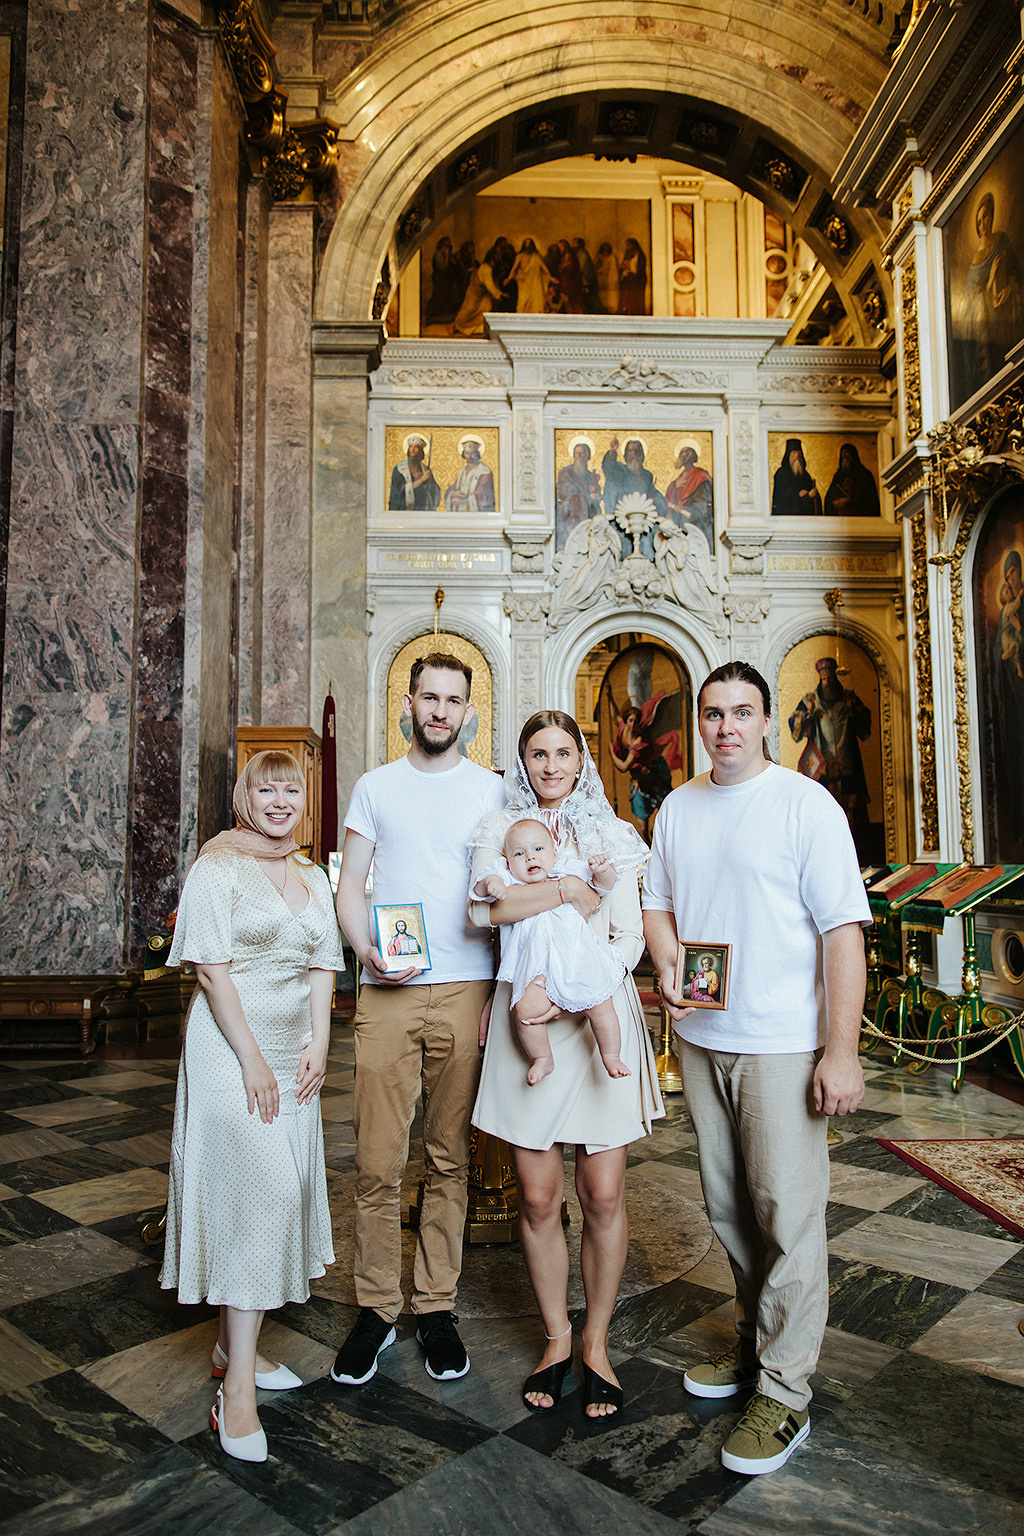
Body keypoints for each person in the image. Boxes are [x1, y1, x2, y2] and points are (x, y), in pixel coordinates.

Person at [643, 661, 870, 1477]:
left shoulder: (806, 805)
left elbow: (844, 932)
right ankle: (753, 1342)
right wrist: (668, 961)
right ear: (699, 723)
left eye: (742, 712)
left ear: (770, 720)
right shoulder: (678, 806)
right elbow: (657, 903)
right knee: (729, 1206)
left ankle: (785, 1391)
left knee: (787, 1212)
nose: (726, 726)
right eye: (713, 713)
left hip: (782, 1041)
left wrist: (839, 1050)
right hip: (704, 1038)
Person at [470, 711, 664, 1419]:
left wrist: (580, 993)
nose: (550, 765)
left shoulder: (611, 836)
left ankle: (596, 1343)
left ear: (582, 760)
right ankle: (555, 1337)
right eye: (536, 755)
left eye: (562, 752)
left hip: (594, 1016)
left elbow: (626, 934)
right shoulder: (500, 833)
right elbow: (487, 914)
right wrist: (564, 892)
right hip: (528, 1015)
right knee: (538, 1196)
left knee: (604, 1195)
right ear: (522, 765)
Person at [160, 750, 343, 1464]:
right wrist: (254, 1059)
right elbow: (210, 968)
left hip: (293, 1052)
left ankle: (230, 1345)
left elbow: (325, 964)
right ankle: (235, 1389)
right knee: (262, 1193)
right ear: (244, 796)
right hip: (230, 1050)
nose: (278, 801)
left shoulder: (311, 874)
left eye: (289, 789)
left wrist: (321, 1045)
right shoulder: (218, 866)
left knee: (280, 1190)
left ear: (303, 799)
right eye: (264, 789)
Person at [332, 653, 504, 1388]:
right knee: (376, 1161)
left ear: (470, 713)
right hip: (390, 991)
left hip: (466, 987)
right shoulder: (376, 788)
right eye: (428, 697)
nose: (439, 710)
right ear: (409, 703)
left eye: (453, 700)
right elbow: (348, 884)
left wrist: (500, 987)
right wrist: (366, 948)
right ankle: (375, 1307)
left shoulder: (494, 793)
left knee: (447, 1158)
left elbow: (510, 896)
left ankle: (434, 1305)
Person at [472, 816, 630, 1085]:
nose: (530, 857)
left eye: (539, 850)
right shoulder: (507, 877)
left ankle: (611, 1055)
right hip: (534, 968)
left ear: (554, 853)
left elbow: (603, 888)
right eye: (519, 853)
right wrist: (491, 884)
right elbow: (479, 891)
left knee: (602, 1006)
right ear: (508, 861)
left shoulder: (567, 869)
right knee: (525, 1011)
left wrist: (602, 871)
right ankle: (542, 1057)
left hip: (577, 959)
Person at [788, 656, 872, 846]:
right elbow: (795, 726)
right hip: (822, 765)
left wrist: (853, 712)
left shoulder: (848, 697)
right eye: (824, 679)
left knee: (851, 808)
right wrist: (807, 714)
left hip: (847, 760)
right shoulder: (811, 700)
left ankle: (851, 844)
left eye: (831, 678)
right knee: (822, 808)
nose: (828, 682)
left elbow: (865, 725)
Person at [555, 436, 603, 548]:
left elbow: (596, 500)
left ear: (588, 456)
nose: (580, 456)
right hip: (569, 517)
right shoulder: (565, 473)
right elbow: (566, 495)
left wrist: (594, 487)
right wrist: (588, 496)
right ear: (573, 455)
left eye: (583, 453)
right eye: (577, 453)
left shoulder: (590, 476)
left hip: (587, 519)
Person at [665, 439, 714, 547]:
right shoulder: (677, 480)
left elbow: (703, 502)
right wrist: (674, 487)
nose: (685, 455)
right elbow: (668, 501)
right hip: (678, 519)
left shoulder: (701, 475)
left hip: (694, 519)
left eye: (688, 452)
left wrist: (684, 509)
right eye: (682, 453)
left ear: (693, 456)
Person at [822, 442, 880, 518]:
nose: (845, 457)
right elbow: (829, 499)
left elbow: (870, 500)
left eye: (847, 454)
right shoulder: (838, 476)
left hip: (860, 519)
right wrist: (835, 503)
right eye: (843, 455)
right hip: (841, 519)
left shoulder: (864, 474)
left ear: (853, 455)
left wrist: (850, 501)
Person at [389, 434, 441, 511]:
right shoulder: (400, 469)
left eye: (416, 447)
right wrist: (421, 480)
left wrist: (429, 484)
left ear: (421, 451)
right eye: (411, 447)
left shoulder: (425, 469)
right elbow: (397, 493)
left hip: (422, 509)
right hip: (405, 510)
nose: (413, 450)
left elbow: (435, 491)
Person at [445, 434, 496, 513]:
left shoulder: (484, 471)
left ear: (477, 454)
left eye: (472, 453)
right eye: (467, 453)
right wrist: (453, 494)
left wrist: (465, 501)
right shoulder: (462, 472)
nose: (469, 456)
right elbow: (453, 487)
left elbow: (483, 495)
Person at [771, 439, 822, 515]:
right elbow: (783, 501)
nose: (797, 456)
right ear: (788, 455)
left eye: (799, 453)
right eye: (794, 453)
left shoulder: (805, 475)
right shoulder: (781, 474)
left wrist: (813, 495)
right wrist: (803, 496)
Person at [509, 237, 549, 314]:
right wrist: (509, 278)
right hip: (523, 282)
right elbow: (514, 269)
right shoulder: (520, 256)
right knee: (522, 303)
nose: (527, 245)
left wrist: (550, 277)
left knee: (536, 302)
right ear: (524, 245)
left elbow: (544, 268)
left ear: (532, 245)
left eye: (529, 243)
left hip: (535, 282)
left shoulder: (536, 256)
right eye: (526, 243)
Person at [617, 237, 647, 314]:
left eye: (629, 245)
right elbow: (623, 266)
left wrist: (630, 267)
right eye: (626, 245)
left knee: (635, 297)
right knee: (626, 297)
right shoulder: (627, 255)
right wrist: (623, 268)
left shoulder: (640, 256)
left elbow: (640, 269)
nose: (627, 247)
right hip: (628, 279)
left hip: (637, 280)